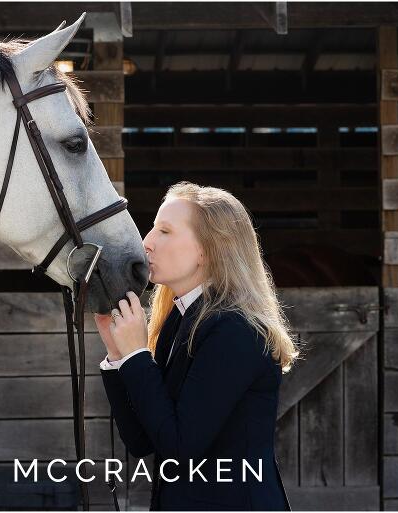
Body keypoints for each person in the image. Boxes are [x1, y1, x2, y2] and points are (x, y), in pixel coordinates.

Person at [95, 182, 300, 511]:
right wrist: (119, 355)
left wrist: (136, 356)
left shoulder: (235, 330)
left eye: (164, 231)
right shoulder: (178, 320)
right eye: (152, 229)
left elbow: (179, 448)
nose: (146, 242)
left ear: (207, 249)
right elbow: (142, 440)